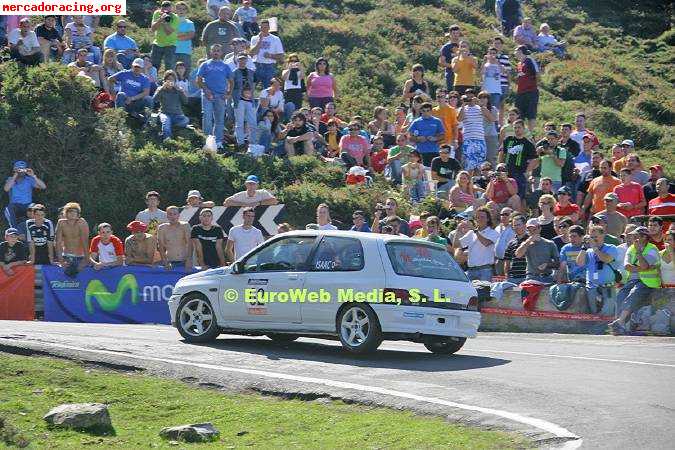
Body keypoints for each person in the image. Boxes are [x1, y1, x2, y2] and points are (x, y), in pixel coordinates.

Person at [609, 226, 661, 334]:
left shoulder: (652, 249)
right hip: (632, 281)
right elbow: (627, 266)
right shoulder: (631, 248)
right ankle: (620, 325)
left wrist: (639, 254)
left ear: (644, 237)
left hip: (648, 283)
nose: (633, 239)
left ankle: (620, 322)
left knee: (634, 294)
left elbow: (644, 265)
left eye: (636, 236)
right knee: (620, 295)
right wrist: (643, 268)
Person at [197, 44, 233, 150]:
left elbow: (231, 81)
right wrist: (206, 90)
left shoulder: (225, 66)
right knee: (207, 117)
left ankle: (218, 141)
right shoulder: (205, 64)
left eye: (218, 51)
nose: (216, 52)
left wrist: (229, 93)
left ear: (221, 53)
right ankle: (207, 140)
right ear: (211, 52)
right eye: (214, 50)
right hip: (208, 95)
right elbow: (198, 80)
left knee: (219, 120)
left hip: (220, 96)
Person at [576, 225, 619, 315]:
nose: (593, 239)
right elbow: (579, 263)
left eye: (595, 237)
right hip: (592, 288)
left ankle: (608, 328)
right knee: (595, 313)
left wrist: (595, 248)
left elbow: (606, 259)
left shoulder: (611, 248)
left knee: (607, 313)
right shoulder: (588, 251)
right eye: (591, 237)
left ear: (603, 235)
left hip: (608, 287)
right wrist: (584, 247)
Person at [454, 207, 499, 281]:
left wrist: (474, 230)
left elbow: (486, 243)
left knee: (484, 292)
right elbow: (456, 245)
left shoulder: (493, 233)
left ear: (488, 219)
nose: (479, 219)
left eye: (482, 217)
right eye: (477, 217)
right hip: (471, 270)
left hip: (485, 270)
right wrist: (458, 229)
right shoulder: (471, 233)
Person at [500, 119, 537, 201]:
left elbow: (534, 160)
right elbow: (502, 153)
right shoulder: (508, 140)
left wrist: (526, 172)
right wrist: (500, 165)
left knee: (520, 197)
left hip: (519, 173)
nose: (517, 129)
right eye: (515, 127)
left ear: (524, 128)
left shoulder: (528, 143)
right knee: (505, 196)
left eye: (519, 127)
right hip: (507, 172)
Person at [458, 92, 496, 172]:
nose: (469, 99)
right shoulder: (463, 109)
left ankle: (478, 181)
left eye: (471, 97)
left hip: (480, 139)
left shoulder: (480, 108)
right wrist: (463, 105)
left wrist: (480, 104)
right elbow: (459, 119)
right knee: (468, 165)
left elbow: (492, 119)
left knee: (480, 165)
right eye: (467, 97)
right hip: (468, 140)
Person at [515, 218, 559, 283]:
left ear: (539, 229)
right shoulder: (526, 243)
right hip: (531, 277)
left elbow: (557, 263)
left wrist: (547, 265)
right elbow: (518, 255)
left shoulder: (549, 243)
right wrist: (528, 241)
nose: (532, 232)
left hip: (547, 277)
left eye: (534, 229)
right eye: (529, 230)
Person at [4, 161, 46, 228]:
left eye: (23, 169)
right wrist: (15, 174)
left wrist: (33, 176)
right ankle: (14, 229)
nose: (21, 171)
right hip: (15, 205)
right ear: (15, 169)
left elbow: (43, 187)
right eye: (19, 169)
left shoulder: (29, 179)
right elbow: (6, 189)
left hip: (28, 205)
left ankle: (35, 228)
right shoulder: (10, 179)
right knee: (8, 209)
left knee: (35, 207)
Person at [55, 202, 90, 277]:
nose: (72, 213)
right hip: (67, 256)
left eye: (75, 211)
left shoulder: (82, 222)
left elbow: (85, 242)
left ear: (78, 214)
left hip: (80, 256)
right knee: (66, 276)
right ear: (65, 213)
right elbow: (58, 242)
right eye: (70, 211)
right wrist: (61, 260)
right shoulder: (61, 223)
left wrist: (86, 260)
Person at [154, 70, 190, 142]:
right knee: (166, 123)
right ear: (165, 80)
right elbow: (154, 100)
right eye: (168, 79)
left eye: (172, 80)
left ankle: (172, 126)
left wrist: (180, 91)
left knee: (186, 120)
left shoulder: (178, 89)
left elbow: (186, 102)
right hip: (165, 113)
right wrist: (161, 89)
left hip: (178, 115)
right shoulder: (160, 89)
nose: (170, 82)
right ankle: (168, 140)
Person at [250, 19, 285, 89]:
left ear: (269, 28)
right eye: (262, 27)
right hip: (256, 65)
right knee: (250, 88)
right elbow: (252, 54)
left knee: (268, 89)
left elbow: (281, 56)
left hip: (269, 67)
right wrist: (260, 40)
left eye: (265, 27)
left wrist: (270, 55)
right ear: (259, 28)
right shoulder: (254, 38)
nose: (263, 29)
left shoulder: (275, 39)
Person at [231, 54, 257, 149]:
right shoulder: (234, 72)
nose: (242, 61)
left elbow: (254, 84)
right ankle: (240, 143)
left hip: (250, 100)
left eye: (244, 59)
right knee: (239, 123)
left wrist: (251, 94)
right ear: (237, 61)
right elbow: (231, 86)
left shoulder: (251, 72)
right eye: (240, 59)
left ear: (246, 60)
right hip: (239, 100)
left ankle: (253, 143)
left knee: (253, 123)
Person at [408, 102, 445, 166]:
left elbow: (443, 135)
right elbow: (409, 136)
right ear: (421, 111)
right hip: (420, 151)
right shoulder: (416, 122)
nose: (426, 113)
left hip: (434, 151)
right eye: (424, 111)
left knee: (433, 172)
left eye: (428, 110)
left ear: (431, 111)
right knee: (422, 173)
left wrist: (435, 138)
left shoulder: (437, 121)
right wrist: (418, 139)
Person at [513, 45, 539, 131]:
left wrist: (534, 86)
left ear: (520, 51)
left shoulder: (529, 60)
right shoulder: (519, 64)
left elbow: (537, 74)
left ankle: (530, 134)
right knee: (519, 115)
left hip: (531, 91)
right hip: (520, 92)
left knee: (531, 114)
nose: (514, 53)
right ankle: (521, 133)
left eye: (516, 51)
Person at [157, 206, 192, 270]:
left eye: (175, 214)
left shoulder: (185, 226)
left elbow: (190, 244)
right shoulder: (162, 228)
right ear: (167, 216)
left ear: (178, 215)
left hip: (184, 260)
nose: (172, 216)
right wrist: (165, 261)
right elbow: (161, 246)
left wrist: (189, 260)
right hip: (169, 260)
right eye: (170, 214)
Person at [150, 1, 179, 70]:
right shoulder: (157, 13)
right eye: (164, 10)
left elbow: (168, 32)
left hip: (171, 44)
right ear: (161, 9)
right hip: (158, 42)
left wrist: (165, 23)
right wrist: (160, 20)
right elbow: (153, 29)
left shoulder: (175, 17)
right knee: (154, 64)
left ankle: (169, 80)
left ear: (171, 9)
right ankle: (153, 79)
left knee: (169, 65)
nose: (166, 13)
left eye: (168, 12)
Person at [503, 214, 528, 284]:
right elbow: (507, 262)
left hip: (526, 277)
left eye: (518, 225)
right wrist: (507, 276)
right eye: (514, 225)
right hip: (513, 278)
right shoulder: (511, 242)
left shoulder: (530, 240)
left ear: (525, 225)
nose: (516, 227)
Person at [174, 2, 195, 72]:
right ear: (175, 10)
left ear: (186, 10)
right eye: (179, 9)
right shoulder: (171, 22)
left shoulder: (190, 23)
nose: (181, 11)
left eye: (183, 9)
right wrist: (184, 33)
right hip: (172, 50)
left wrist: (175, 35)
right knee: (172, 72)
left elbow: (190, 36)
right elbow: (168, 34)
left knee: (186, 72)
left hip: (185, 51)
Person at [438, 24, 461, 91]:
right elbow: (441, 62)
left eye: (457, 33)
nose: (456, 35)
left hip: (463, 74)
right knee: (452, 94)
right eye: (454, 33)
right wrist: (453, 66)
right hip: (451, 75)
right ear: (450, 34)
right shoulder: (446, 47)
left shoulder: (463, 46)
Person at [494, 207, 515, 276]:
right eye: (502, 214)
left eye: (506, 214)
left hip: (509, 261)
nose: (503, 216)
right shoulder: (497, 228)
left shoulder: (514, 228)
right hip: (498, 261)